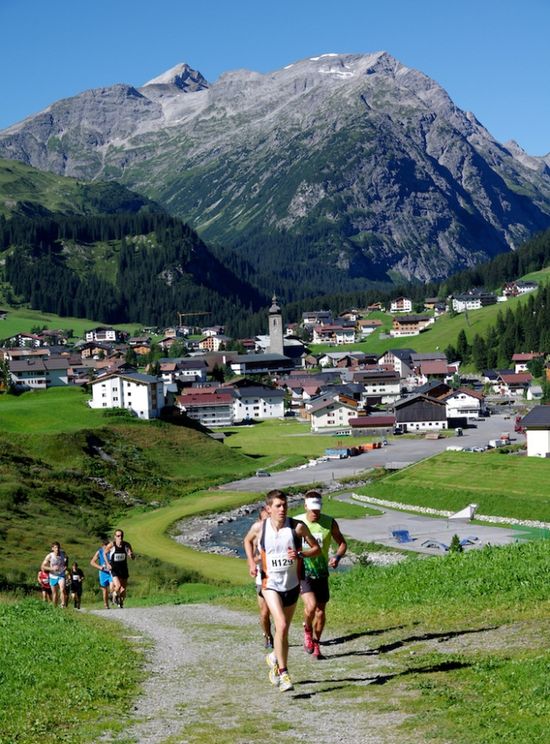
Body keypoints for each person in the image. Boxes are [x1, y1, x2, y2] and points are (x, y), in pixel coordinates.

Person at [246, 489, 321, 692]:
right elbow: (247, 541)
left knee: (284, 630)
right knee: (279, 623)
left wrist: (300, 554)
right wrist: (251, 562)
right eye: (278, 506)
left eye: (285, 505)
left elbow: (316, 548)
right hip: (270, 584)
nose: (283, 509)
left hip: (292, 584)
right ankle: (284, 673)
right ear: (268, 509)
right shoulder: (260, 528)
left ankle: (274, 658)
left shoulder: (297, 528)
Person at [295, 490, 347, 660]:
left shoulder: (329, 522)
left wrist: (337, 557)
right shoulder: (296, 522)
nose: (315, 513)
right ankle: (307, 632)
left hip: (321, 572)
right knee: (310, 607)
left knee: (320, 611)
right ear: (305, 506)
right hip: (303, 571)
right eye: (312, 509)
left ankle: (316, 645)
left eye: (318, 509)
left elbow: (342, 543)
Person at [243, 505, 273, 649]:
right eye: (265, 518)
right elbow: (252, 558)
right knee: (265, 612)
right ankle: (267, 635)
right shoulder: (257, 537)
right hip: (262, 577)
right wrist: (254, 563)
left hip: (279, 577)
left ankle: (280, 637)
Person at [103, 529, 135, 608]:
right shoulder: (111, 545)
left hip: (123, 569)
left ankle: (119, 601)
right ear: (115, 537)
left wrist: (131, 555)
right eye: (118, 536)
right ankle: (113, 595)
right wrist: (107, 563)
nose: (120, 537)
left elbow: (132, 556)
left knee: (123, 589)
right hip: (114, 569)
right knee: (118, 586)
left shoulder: (126, 544)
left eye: (121, 536)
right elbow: (104, 553)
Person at [41, 541, 68, 608]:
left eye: (58, 547)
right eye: (55, 547)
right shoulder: (50, 556)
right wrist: (52, 568)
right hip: (53, 576)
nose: (57, 549)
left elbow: (67, 559)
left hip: (61, 575)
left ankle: (63, 605)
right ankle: (54, 607)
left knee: (62, 589)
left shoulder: (63, 553)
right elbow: (42, 566)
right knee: (54, 593)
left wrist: (66, 566)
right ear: (52, 548)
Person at [90, 539, 113, 609]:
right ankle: (106, 604)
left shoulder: (112, 551)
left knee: (112, 587)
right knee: (104, 590)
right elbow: (92, 562)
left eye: (108, 546)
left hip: (111, 572)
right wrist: (100, 567)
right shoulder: (99, 552)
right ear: (102, 546)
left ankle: (111, 596)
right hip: (103, 573)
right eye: (106, 546)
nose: (107, 548)